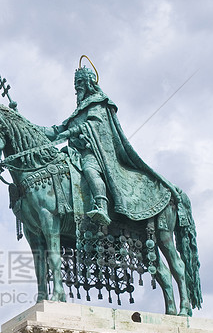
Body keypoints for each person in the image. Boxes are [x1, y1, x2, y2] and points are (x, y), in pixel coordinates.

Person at [45, 67, 175, 225]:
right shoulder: (77, 111)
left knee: (89, 169)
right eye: (75, 84)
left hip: (95, 153)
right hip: (74, 153)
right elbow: (56, 130)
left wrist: (71, 132)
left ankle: (102, 207)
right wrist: (30, 127)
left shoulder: (99, 102)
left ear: (88, 82)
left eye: (79, 82)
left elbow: (94, 124)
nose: (77, 87)